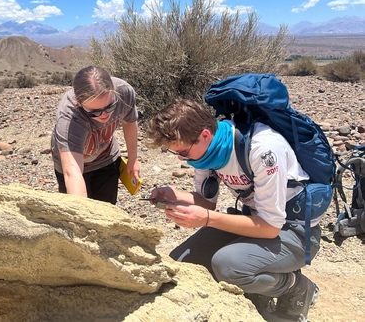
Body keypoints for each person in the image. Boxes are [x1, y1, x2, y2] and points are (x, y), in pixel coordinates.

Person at [145, 99, 321, 322]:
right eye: (176, 154)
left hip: (294, 233)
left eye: (183, 152)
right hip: (255, 222)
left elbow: (270, 228)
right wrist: (175, 196)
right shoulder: (207, 154)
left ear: (206, 135)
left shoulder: (262, 150)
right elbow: (206, 203)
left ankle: (297, 287)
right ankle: (256, 291)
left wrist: (207, 219)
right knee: (180, 263)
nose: (182, 158)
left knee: (227, 266)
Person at [51, 66, 140, 204]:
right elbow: (72, 172)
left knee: (107, 208)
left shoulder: (124, 93)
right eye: (95, 112)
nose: (104, 115)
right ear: (78, 102)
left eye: (110, 107)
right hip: (72, 165)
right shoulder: (69, 118)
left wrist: (133, 159)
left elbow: (129, 123)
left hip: (106, 157)